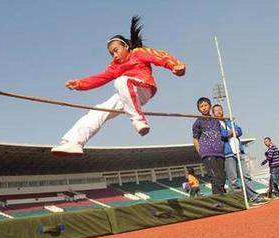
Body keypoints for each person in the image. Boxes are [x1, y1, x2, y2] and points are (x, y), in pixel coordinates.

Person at [51, 16, 185, 156]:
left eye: (116, 50)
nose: (114, 55)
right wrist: (79, 83)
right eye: (111, 53)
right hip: (126, 95)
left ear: (126, 46)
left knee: (121, 81)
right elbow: (100, 78)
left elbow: (160, 56)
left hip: (143, 88)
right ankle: (73, 142)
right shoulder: (115, 66)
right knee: (99, 110)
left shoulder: (138, 53)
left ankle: (139, 120)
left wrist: (175, 66)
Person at [212, 104, 265, 204]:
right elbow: (222, 135)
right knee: (233, 179)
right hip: (228, 154)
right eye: (216, 110)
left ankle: (255, 197)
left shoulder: (229, 121)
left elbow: (239, 130)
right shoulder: (216, 125)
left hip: (239, 152)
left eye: (220, 110)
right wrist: (231, 132)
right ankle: (240, 201)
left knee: (246, 176)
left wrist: (232, 131)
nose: (219, 112)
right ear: (213, 113)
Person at [192, 97, 226, 195]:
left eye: (205, 105)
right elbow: (195, 139)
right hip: (207, 153)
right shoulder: (198, 122)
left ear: (209, 106)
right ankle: (219, 200)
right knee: (215, 177)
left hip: (219, 152)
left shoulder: (216, 120)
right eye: (201, 106)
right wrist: (201, 151)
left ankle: (222, 197)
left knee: (222, 177)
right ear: (199, 109)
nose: (204, 108)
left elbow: (223, 133)